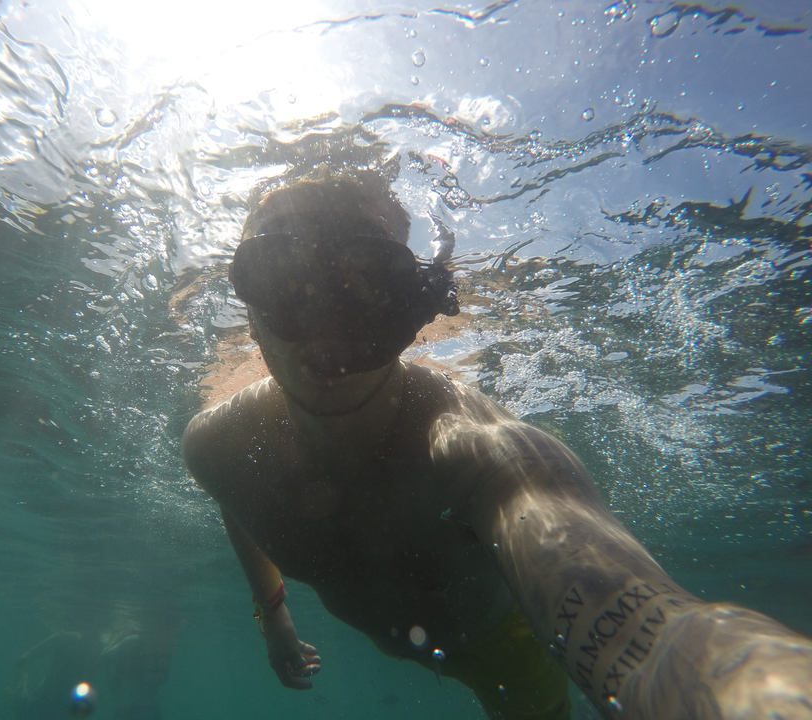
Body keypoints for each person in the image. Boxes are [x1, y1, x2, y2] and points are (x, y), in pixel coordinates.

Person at [182, 169, 812, 719]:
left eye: (366, 288)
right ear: (245, 297)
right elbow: (239, 500)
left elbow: (643, 626)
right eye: (283, 276)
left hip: (503, 649)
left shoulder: (468, 447)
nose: (323, 335)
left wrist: (742, 690)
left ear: (410, 307)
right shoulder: (216, 448)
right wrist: (274, 615)